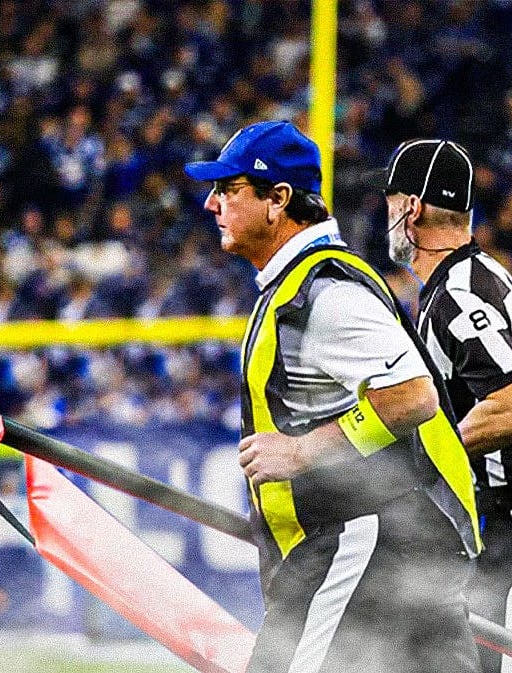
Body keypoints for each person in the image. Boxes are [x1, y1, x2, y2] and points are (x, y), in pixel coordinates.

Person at [184, 121, 482, 673]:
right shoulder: (306, 283)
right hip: (403, 543)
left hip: (365, 538)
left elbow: (414, 395)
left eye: (229, 189)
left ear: (277, 201)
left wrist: (302, 452)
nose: (211, 203)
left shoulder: (324, 291)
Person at [379, 138, 512, 673]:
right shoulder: (487, 278)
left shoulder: (456, 295)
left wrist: (429, 456)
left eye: (390, 199)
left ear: (412, 207)